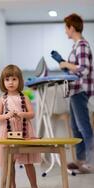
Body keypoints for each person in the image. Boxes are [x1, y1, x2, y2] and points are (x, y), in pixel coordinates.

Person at [0, 64, 41, 188]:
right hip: (7, 133)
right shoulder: (2, 99)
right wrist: (6, 115)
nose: (10, 82)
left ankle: (34, 186)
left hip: (24, 132)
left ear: (19, 80)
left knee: (28, 161)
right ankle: (12, 185)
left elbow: (32, 114)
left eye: (14, 79)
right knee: (10, 162)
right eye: (7, 79)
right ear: (3, 82)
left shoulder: (24, 97)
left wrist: (23, 114)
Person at [59, 13, 94, 173]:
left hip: (80, 90)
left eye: (66, 28)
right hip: (75, 91)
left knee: (83, 126)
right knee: (76, 127)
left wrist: (66, 64)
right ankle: (81, 161)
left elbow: (84, 69)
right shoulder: (76, 46)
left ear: (71, 27)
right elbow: (78, 68)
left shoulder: (82, 45)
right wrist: (66, 66)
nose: (65, 31)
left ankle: (90, 161)